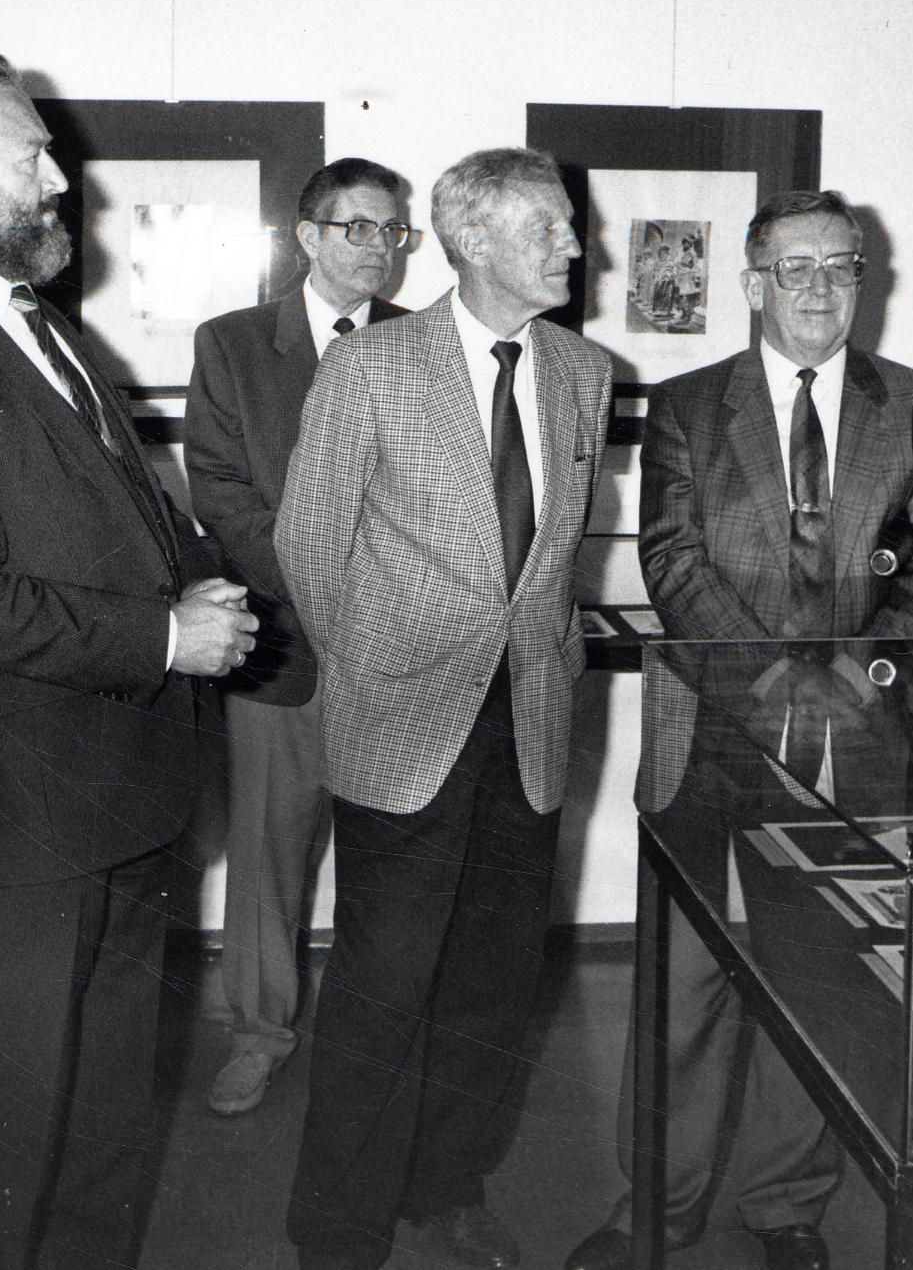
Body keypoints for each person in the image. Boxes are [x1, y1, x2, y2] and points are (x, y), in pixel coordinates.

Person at [0, 49, 257, 1268]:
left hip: (123, 785)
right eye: (31, 152)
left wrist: (191, 580)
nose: (59, 173)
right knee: (7, 1123)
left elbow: (114, 518)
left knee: (107, 1109)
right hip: (23, 804)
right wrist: (168, 636)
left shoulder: (36, 326)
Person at [567, 190, 913, 1270]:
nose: (823, 288)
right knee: (687, 988)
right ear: (752, 284)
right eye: (797, 268)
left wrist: (846, 676)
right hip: (716, 730)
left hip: (863, 737)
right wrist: (772, 678)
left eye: (842, 266)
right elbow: (671, 560)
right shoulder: (692, 408)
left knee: (825, 977)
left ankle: (789, 1204)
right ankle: (660, 1200)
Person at [276, 146, 613, 1270]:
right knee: (381, 989)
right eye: (551, 227)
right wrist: (377, 663)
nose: (577, 245)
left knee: (493, 983)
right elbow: (309, 546)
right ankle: (337, 1226)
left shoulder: (584, 372)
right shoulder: (373, 369)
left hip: (529, 727)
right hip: (403, 726)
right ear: (470, 239)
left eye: (571, 226)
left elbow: (554, 556)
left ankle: (447, 1187)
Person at [184, 157, 412, 1117]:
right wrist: (329, 600)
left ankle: (382, 1046)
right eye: (358, 227)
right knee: (269, 862)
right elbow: (223, 493)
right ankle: (259, 1034)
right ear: (309, 237)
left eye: (393, 230)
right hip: (284, 653)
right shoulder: (234, 344)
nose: (379, 248)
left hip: (403, 665)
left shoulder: (426, 347)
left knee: (396, 871)